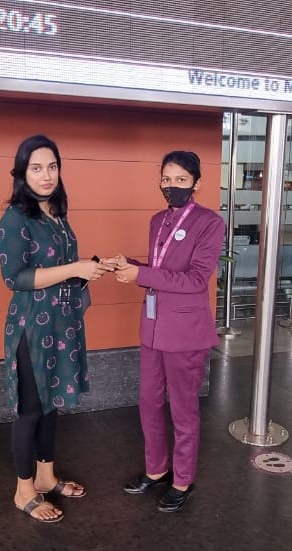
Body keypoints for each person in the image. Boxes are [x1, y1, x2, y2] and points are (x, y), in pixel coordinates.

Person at [0, 134, 113, 523]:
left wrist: (90, 268)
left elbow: (61, 270)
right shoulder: (15, 218)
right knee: (30, 409)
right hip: (31, 327)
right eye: (36, 168)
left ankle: (46, 476)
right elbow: (15, 277)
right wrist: (75, 268)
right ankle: (23, 489)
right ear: (22, 173)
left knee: (51, 405)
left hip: (61, 325)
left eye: (52, 167)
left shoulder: (56, 215)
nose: (46, 175)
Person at [111, 150, 225, 513]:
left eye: (180, 180)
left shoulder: (209, 222)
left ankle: (182, 480)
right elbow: (161, 269)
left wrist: (141, 274)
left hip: (186, 332)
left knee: (183, 409)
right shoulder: (157, 220)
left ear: (196, 183)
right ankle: (157, 470)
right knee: (148, 402)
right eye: (166, 179)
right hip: (153, 327)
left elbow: (195, 280)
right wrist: (130, 265)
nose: (171, 186)